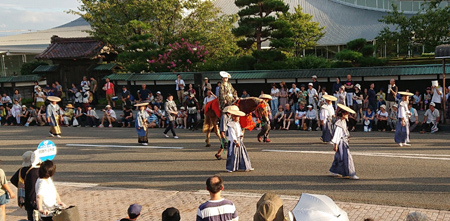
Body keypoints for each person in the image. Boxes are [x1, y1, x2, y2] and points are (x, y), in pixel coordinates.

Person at [329, 103, 359, 180]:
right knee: (347, 158)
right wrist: (335, 144)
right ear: (342, 114)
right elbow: (337, 135)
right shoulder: (339, 123)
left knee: (339, 157)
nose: (347, 115)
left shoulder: (343, 122)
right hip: (341, 142)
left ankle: (334, 170)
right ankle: (351, 173)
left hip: (343, 141)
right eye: (346, 113)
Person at [10, 151, 40, 221]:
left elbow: (13, 180)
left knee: (30, 216)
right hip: (35, 196)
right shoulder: (37, 170)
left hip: (26, 198)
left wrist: (22, 187)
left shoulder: (21, 170)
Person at [226, 106, 253, 172]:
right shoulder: (230, 125)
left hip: (239, 140)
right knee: (233, 154)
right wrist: (235, 141)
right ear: (233, 117)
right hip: (234, 141)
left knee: (242, 154)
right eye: (237, 116)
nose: (238, 118)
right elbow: (232, 134)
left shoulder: (237, 123)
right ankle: (230, 167)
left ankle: (245, 166)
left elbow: (239, 130)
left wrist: (241, 135)